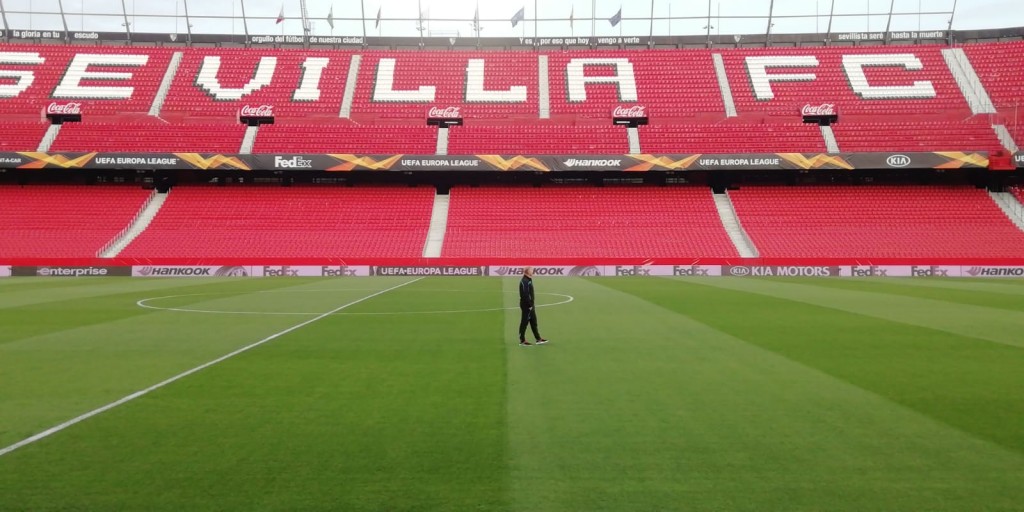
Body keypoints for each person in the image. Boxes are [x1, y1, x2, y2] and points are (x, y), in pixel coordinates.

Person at [518, 267, 548, 346]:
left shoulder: (528, 280)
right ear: (527, 271)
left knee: (533, 321)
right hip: (527, 305)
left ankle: (538, 339)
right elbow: (525, 295)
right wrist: (530, 305)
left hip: (530, 305)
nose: (533, 271)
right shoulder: (524, 281)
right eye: (531, 270)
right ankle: (522, 340)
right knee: (524, 322)